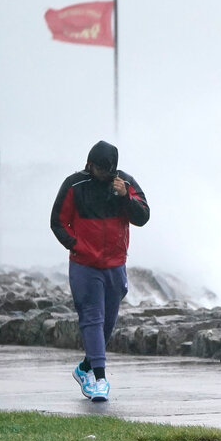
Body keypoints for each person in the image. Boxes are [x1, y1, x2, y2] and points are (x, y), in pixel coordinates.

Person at [50, 140, 150, 402]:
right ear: (89, 164)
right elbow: (58, 222)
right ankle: (99, 379)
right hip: (85, 265)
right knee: (93, 318)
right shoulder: (74, 185)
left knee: (108, 322)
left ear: (113, 169)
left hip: (115, 265)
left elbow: (143, 217)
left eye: (105, 170)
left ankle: (84, 368)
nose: (99, 173)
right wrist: (77, 246)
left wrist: (125, 197)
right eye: (95, 168)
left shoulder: (125, 184)